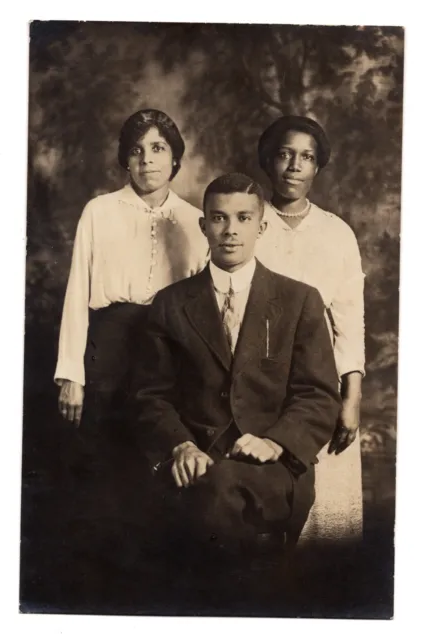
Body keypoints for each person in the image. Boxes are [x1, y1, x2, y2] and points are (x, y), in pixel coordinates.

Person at [132, 173, 341, 578]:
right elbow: (149, 395)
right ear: (203, 225)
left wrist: (275, 442)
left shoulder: (300, 300)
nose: (230, 231)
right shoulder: (171, 304)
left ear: (261, 227)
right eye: (219, 218)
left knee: (218, 497)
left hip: (273, 467)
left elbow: (318, 395)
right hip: (194, 458)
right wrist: (180, 446)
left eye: (243, 218)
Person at [53, 109, 208, 565]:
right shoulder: (99, 211)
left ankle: (159, 573)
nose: (147, 160)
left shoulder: (196, 220)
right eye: (136, 151)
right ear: (125, 160)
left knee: (162, 453)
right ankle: (105, 574)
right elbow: (77, 290)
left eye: (158, 148)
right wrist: (71, 373)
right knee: (105, 458)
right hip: (108, 348)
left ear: (175, 159)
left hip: (169, 351)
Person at [254, 115, 365, 543]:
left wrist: (350, 398)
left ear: (318, 167)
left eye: (307, 157)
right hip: (263, 385)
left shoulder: (337, 234)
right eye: (285, 155)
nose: (295, 166)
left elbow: (350, 322)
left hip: (321, 388)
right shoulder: (248, 224)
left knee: (325, 529)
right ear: (268, 161)